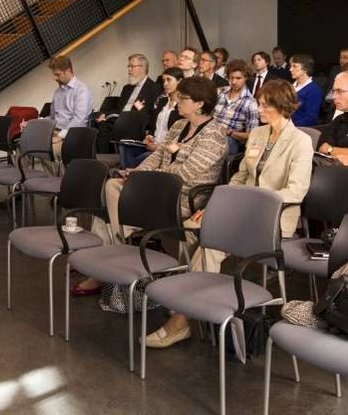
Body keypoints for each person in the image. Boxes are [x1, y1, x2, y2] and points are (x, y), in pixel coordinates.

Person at [144, 80, 313, 348]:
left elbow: (296, 191)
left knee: (209, 244)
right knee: (194, 229)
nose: (260, 108)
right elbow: (240, 176)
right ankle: (190, 303)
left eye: (266, 104)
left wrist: (249, 202)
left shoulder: (300, 142)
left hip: (271, 219)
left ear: (284, 106)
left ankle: (180, 319)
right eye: (260, 103)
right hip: (242, 211)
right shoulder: (258, 135)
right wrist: (219, 204)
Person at [74, 77, 227, 295]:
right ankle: (114, 255)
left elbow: (184, 175)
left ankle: (109, 263)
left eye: (182, 98)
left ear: (200, 103)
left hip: (180, 198)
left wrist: (143, 180)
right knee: (111, 189)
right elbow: (157, 155)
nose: (177, 101)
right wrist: (138, 172)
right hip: (155, 190)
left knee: (109, 213)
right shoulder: (179, 125)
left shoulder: (214, 136)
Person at [93, 54, 162, 153]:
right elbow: (119, 109)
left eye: (132, 66)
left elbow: (151, 114)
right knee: (98, 121)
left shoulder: (154, 88)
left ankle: (103, 160)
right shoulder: (127, 88)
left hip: (136, 124)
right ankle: (103, 159)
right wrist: (105, 115)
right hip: (119, 120)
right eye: (128, 66)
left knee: (105, 128)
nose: (129, 69)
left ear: (142, 68)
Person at [121, 67, 185, 168]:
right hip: (152, 144)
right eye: (164, 80)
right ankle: (129, 175)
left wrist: (158, 147)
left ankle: (129, 175)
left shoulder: (183, 106)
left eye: (169, 80)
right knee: (125, 147)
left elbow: (179, 135)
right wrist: (149, 136)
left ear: (180, 81)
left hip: (164, 149)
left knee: (139, 159)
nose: (165, 84)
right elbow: (153, 123)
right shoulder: (162, 101)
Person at [46, 55, 92, 158]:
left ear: (68, 71)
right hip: (55, 131)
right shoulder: (57, 92)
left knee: (46, 149)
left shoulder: (81, 90)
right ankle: (45, 174)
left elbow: (79, 120)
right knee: (26, 144)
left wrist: (60, 136)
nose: (55, 78)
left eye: (58, 74)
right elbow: (52, 117)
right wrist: (36, 122)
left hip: (73, 135)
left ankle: (56, 174)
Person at [212, 59, 259, 154]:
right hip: (210, 132)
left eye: (238, 78)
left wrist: (230, 132)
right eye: (231, 78)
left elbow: (253, 135)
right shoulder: (220, 92)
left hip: (230, 139)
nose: (234, 82)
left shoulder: (250, 103)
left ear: (245, 78)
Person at [289, 53, 322, 127]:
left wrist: (289, 126)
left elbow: (311, 119)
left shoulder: (313, 90)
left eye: (295, 66)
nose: (290, 69)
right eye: (291, 66)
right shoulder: (290, 87)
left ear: (305, 69)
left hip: (302, 131)